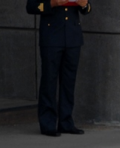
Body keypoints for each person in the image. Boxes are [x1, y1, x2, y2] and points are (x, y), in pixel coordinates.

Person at [26, 0, 91, 137]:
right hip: (52, 36)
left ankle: (66, 122)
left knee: (69, 82)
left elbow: (87, 9)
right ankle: (48, 124)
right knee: (49, 80)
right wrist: (53, 3)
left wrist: (84, 4)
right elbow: (31, 6)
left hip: (73, 37)